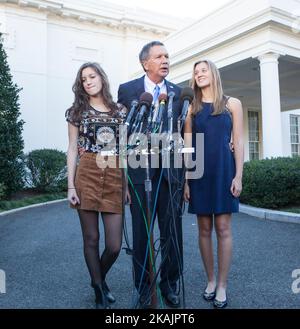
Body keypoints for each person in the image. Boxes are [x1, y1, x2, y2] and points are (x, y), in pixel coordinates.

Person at [118, 41, 184, 308]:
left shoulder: (178, 92)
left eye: (167, 56)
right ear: (146, 63)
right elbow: (122, 133)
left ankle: (169, 284)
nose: (165, 60)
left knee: (172, 232)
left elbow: (183, 132)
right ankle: (144, 288)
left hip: (171, 172)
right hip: (139, 172)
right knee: (142, 233)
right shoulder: (128, 90)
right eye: (159, 56)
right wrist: (123, 180)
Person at [66, 62, 129, 309]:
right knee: (91, 239)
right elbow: (72, 149)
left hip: (113, 173)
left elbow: (123, 150)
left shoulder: (120, 111)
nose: (88, 81)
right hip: (88, 172)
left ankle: (98, 281)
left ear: (102, 78)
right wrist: (71, 186)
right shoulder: (76, 112)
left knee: (114, 245)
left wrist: (124, 185)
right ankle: (100, 290)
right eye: (83, 79)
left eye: (92, 76)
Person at [184, 59, 244, 308]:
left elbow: (238, 142)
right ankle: (210, 280)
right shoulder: (192, 108)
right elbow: (188, 146)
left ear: (213, 73)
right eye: (196, 72)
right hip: (199, 174)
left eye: (203, 70)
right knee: (204, 229)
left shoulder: (233, 104)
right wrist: (187, 180)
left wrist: (238, 175)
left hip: (223, 171)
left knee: (223, 228)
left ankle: (222, 285)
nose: (199, 74)